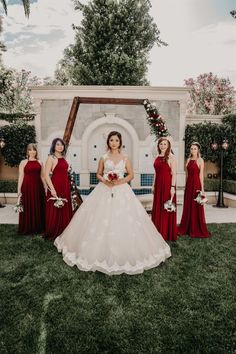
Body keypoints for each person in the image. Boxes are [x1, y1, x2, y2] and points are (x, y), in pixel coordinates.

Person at [54, 131, 171, 275]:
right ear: (108, 142)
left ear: (120, 142)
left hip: (121, 189)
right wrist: (105, 180)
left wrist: (119, 182)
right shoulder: (103, 158)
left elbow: (131, 175)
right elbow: (98, 174)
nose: (114, 143)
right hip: (104, 189)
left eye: (116, 140)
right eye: (111, 140)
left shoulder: (125, 158)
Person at [178, 142, 210, 238]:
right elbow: (187, 175)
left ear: (198, 150)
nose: (193, 150)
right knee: (188, 205)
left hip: (196, 184)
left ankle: (196, 227)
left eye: (195, 149)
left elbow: (201, 176)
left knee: (196, 205)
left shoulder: (200, 160)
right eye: (191, 148)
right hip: (189, 185)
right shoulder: (188, 160)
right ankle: (187, 226)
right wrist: (185, 186)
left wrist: (202, 189)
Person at [44, 138, 73, 240]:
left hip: (65, 186)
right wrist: (52, 189)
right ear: (53, 146)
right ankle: (54, 230)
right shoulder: (51, 158)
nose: (60, 146)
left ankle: (64, 230)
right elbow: (46, 175)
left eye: (62, 145)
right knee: (55, 209)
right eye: (57, 145)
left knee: (64, 208)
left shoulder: (63, 157)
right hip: (55, 186)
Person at [152, 137, 177, 241]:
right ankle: (157, 230)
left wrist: (172, 187)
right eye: (161, 144)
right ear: (158, 145)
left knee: (166, 207)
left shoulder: (171, 157)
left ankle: (166, 232)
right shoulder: (157, 156)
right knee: (158, 206)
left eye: (165, 144)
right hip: (158, 184)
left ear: (168, 146)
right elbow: (155, 172)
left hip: (167, 184)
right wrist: (153, 185)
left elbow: (174, 173)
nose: (163, 146)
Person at [17, 143, 46, 234]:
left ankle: (38, 227)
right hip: (27, 187)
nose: (32, 151)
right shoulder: (23, 162)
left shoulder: (40, 162)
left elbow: (43, 176)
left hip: (38, 187)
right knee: (27, 205)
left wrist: (45, 187)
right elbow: (21, 176)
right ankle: (27, 228)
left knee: (38, 205)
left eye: (34, 150)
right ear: (27, 151)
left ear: (36, 151)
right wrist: (18, 189)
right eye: (30, 150)